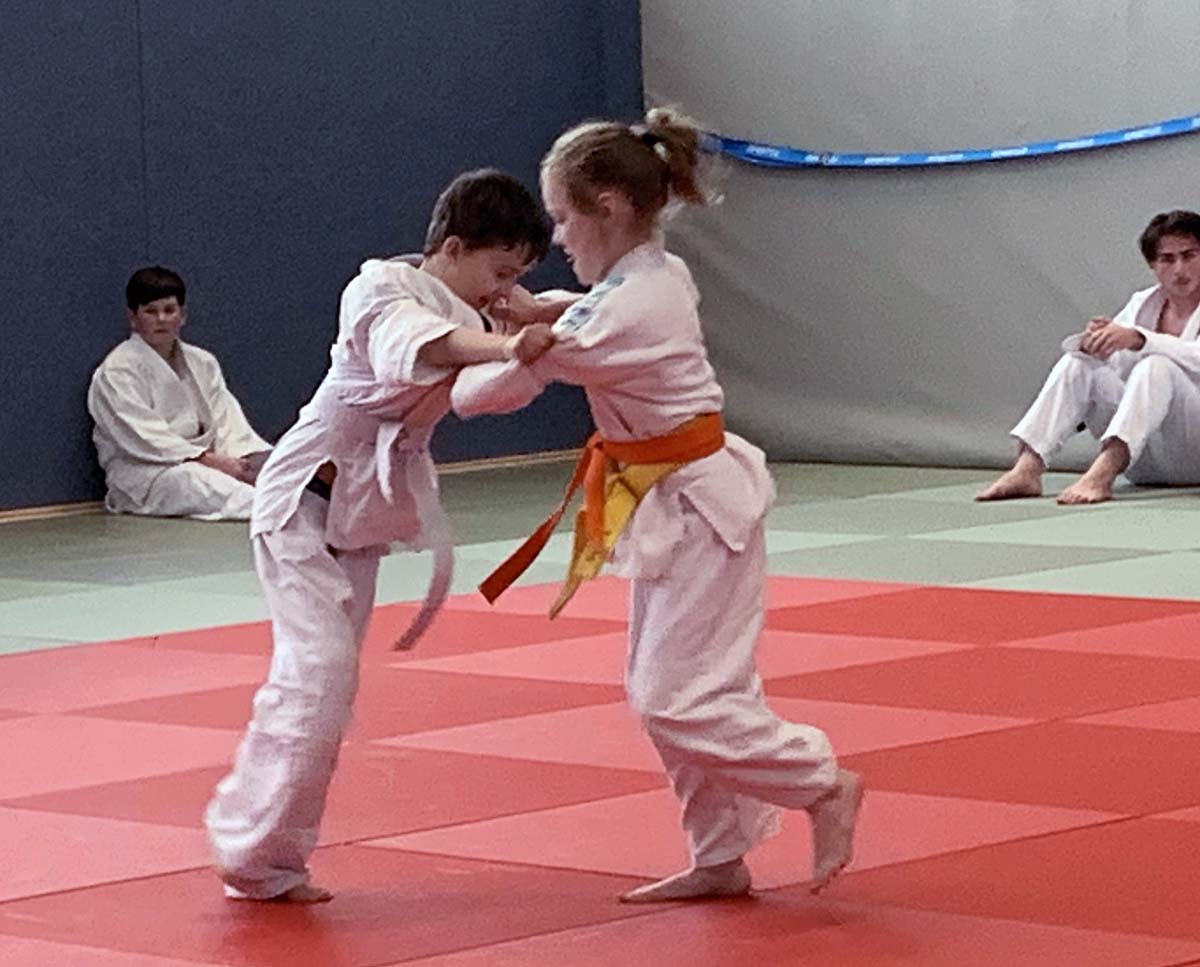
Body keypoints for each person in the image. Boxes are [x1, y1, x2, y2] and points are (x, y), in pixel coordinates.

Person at [451, 111, 863, 904]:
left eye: (566, 218)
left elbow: (492, 394)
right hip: (670, 504)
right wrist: (541, 315)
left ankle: (821, 780)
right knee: (674, 687)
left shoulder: (633, 307)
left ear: (608, 207)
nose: (559, 237)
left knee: (675, 696)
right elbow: (585, 308)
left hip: (706, 510)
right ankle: (721, 853)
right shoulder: (642, 280)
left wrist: (449, 362)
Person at [204, 169, 554, 903]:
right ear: (452, 246)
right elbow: (420, 347)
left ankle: (275, 859)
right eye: (499, 270)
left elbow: (529, 340)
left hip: (361, 516)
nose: (503, 289)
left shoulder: (481, 315)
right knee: (318, 673)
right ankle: (249, 852)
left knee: (329, 683)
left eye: (515, 276)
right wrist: (509, 344)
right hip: (302, 501)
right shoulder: (378, 292)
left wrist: (533, 322)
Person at [978, 209, 1200, 505]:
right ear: (1152, 265)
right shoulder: (1141, 304)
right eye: (1167, 259)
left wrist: (1139, 338)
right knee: (1079, 363)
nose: (1179, 269)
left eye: (1190, 255)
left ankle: (1102, 473)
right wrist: (1099, 342)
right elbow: (1118, 369)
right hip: (1144, 459)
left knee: (1156, 366)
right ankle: (1028, 468)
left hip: (1193, 451)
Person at [87, 267, 270, 520]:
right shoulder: (118, 371)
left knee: (273, 466)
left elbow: (227, 421)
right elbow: (143, 438)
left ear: (182, 316)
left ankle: (300, 500)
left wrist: (242, 461)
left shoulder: (202, 361)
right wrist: (209, 461)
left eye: (169, 310)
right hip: (150, 475)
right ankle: (280, 508)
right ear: (133, 318)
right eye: (151, 311)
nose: (161, 319)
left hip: (214, 459)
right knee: (200, 482)